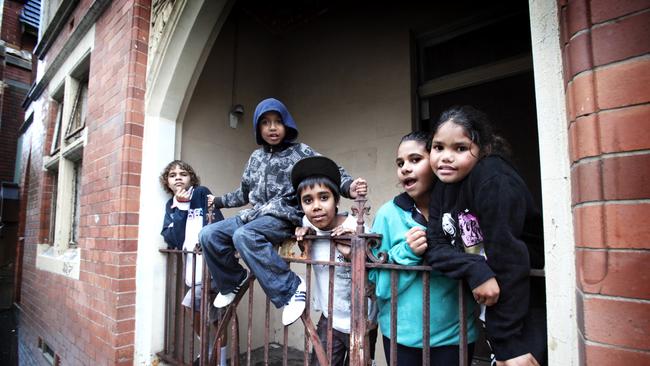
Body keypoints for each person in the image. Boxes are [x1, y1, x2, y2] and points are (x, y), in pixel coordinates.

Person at [199, 98, 366, 326]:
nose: (272, 127)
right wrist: (218, 201)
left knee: (244, 236)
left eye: (278, 121)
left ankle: (291, 288)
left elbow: (330, 168)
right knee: (209, 234)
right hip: (253, 215)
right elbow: (243, 193)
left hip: (282, 215)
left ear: (287, 123)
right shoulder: (255, 158)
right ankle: (231, 280)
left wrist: (348, 187)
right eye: (266, 123)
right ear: (259, 128)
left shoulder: (299, 151)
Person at [423, 106, 547, 366]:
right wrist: (475, 268)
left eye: (460, 148)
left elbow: (509, 258)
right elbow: (434, 246)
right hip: (492, 307)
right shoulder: (442, 189)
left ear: (483, 149)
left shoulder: (492, 178)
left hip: (525, 307)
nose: (446, 158)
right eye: (438, 147)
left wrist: (508, 341)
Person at [368, 132, 477, 366]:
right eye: (400, 163)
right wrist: (407, 253)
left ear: (436, 162)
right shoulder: (387, 215)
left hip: (455, 335)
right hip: (401, 338)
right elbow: (378, 286)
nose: (405, 168)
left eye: (415, 160)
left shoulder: (461, 208)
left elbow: (476, 260)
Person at [292, 156, 377, 366]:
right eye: (308, 200)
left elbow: (379, 271)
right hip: (329, 319)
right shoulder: (306, 226)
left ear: (337, 200)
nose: (316, 206)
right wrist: (304, 236)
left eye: (324, 197)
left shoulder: (357, 229)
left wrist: (356, 249)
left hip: (363, 322)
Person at [159, 160, 228, 366]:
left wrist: (205, 242)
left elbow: (218, 225)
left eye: (183, 173)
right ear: (167, 183)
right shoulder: (170, 206)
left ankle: (214, 355)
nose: (178, 177)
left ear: (191, 178)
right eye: (172, 175)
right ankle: (212, 352)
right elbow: (174, 239)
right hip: (193, 273)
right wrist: (180, 208)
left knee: (199, 309)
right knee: (209, 318)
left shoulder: (201, 194)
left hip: (212, 269)